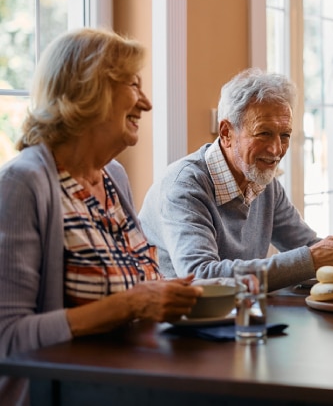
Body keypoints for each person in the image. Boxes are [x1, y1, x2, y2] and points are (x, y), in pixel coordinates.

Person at [0, 28, 203, 406]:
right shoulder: (23, 183)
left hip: (130, 382)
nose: (146, 103)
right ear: (89, 90)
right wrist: (131, 304)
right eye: (134, 85)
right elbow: (8, 338)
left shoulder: (114, 177)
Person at [139, 69, 333, 291]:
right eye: (264, 133)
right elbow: (201, 275)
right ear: (226, 133)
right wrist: (311, 259)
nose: (276, 149)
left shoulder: (263, 181)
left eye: (285, 135)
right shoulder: (184, 187)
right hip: (176, 316)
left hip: (239, 310)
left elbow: (306, 245)